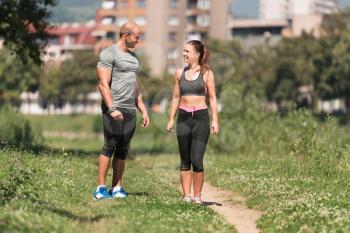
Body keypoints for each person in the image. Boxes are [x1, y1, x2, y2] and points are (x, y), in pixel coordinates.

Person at [93, 22, 150, 200]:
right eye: (136, 36)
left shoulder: (134, 58)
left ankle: (116, 187)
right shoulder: (109, 53)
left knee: (123, 149)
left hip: (129, 109)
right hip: (114, 107)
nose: (139, 40)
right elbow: (103, 84)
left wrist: (143, 109)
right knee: (110, 145)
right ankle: (100, 188)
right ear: (126, 35)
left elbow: (136, 86)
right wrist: (111, 108)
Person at [166, 40, 219, 204]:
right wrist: (171, 119)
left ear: (197, 54)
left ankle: (197, 195)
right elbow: (176, 97)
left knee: (197, 159)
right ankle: (186, 195)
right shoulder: (179, 73)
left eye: (187, 51)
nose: (184, 54)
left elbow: (212, 98)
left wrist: (215, 120)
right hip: (183, 118)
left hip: (201, 119)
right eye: (183, 51)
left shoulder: (207, 74)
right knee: (185, 159)